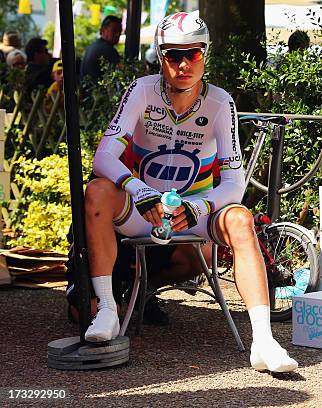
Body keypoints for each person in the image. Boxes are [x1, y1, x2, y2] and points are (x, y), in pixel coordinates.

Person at [83, 11, 298, 373]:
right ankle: (106, 309)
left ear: (205, 54)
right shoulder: (142, 91)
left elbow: (234, 182)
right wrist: (137, 190)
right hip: (143, 211)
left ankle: (263, 340)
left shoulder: (219, 102)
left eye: (193, 54)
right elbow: (103, 156)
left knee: (242, 220)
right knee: (99, 191)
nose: (183, 64)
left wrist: (200, 207)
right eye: (172, 55)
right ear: (160, 55)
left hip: (195, 213)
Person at [80, 15, 122, 81]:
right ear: (102, 30)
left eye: (120, 31)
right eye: (114, 31)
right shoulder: (107, 49)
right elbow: (123, 72)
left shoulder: (92, 46)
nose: (118, 34)